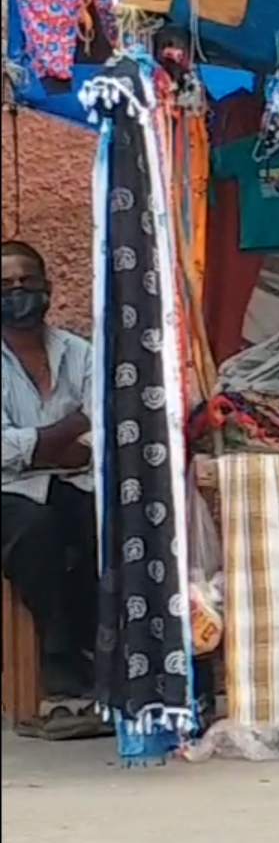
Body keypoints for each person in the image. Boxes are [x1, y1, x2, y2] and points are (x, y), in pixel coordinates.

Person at [1, 239, 105, 738]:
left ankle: (101, 656)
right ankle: (60, 666)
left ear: (48, 288)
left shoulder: (80, 353)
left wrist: (42, 445)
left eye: (27, 283)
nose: (18, 294)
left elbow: (101, 434)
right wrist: (68, 430)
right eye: (5, 287)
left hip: (70, 480)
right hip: (8, 492)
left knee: (99, 521)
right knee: (34, 527)